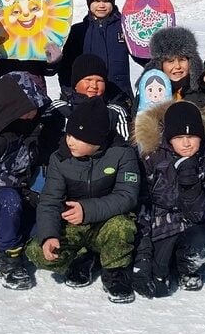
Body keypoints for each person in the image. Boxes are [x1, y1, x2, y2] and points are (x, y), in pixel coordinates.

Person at [26, 97, 140, 303]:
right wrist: (49, 235)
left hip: (107, 221)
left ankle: (115, 272)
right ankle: (81, 258)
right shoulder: (59, 158)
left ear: (98, 140)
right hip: (72, 224)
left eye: (79, 138)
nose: (70, 141)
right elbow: (49, 201)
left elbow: (128, 196)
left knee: (123, 226)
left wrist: (87, 210)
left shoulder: (122, 154)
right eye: (69, 134)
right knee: (38, 252)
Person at [0, 72, 63, 290]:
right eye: (25, 107)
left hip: (24, 190)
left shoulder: (37, 131)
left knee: (46, 211)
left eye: (34, 106)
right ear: (10, 107)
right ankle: (9, 259)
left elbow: (53, 144)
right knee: (9, 201)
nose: (31, 112)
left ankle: (16, 245)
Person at [133, 100, 205, 297]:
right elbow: (143, 205)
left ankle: (187, 268)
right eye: (180, 137)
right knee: (159, 288)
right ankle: (158, 263)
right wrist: (144, 256)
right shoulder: (152, 157)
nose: (187, 143)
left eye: (191, 136)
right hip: (159, 225)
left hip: (193, 224)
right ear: (169, 138)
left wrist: (190, 185)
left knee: (203, 242)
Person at [60, 0, 132, 106]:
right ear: (89, 2)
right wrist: (69, 93)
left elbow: (143, 55)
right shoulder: (77, 31)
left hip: (120, 97)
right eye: (96, 1)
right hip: (85, 98)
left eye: (106, 1)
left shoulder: (126, 28)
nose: (101, 5)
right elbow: (65, 67)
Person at [147, 26, 205, 107]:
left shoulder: (204, 93)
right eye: (170, 61)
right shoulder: (148, 93)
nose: (177, 66)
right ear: (160, 65)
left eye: (182, 59)